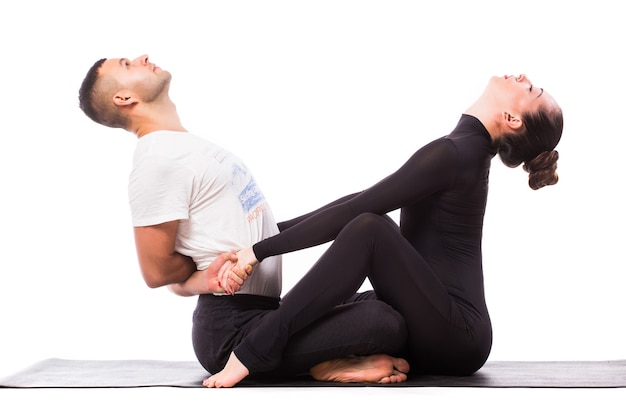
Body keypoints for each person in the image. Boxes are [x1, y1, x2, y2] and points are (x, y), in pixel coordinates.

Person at [205, 73, 564, 387]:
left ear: (511, 119)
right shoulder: (462, 151)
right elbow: (357, 200)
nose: (521, 77)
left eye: (530, 88)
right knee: (364, 281)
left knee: (371, 228)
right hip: (436, 321)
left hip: (457, 335)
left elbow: (358, 212)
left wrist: (260, 250)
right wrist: (262, 236)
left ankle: (254, 350)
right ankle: (335, 362)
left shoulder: (456, 154)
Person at [77, 54, 410, 386]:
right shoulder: (155, 160)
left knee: (390, 300)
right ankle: (321, 364)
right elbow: (156, 271)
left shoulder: (186, 147)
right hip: (232, 333)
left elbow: (252, 233)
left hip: (267, 311)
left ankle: (322, 357)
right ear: (124, 98)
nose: (142, 57)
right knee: (381, 321)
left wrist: (358, 204)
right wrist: (205, 275)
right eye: (127, 64)